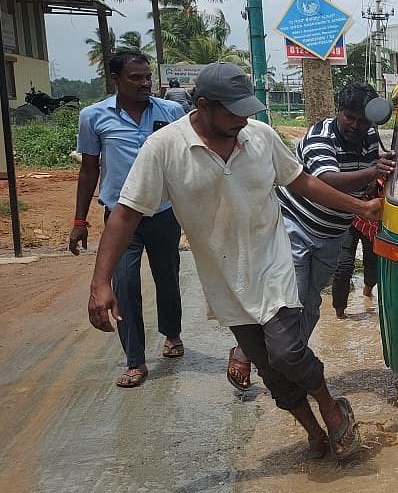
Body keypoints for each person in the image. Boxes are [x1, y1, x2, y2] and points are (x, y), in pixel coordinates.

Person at [87, 62, 377, 459]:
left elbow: (303, 182)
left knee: (287, 351)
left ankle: (328, 403)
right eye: (234, 111)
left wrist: (361, 208)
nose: (244, 119)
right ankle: (312, 431)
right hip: (224, 278)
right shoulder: (164, 147)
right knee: (270, 369)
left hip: (274, 262)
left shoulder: (259, 136)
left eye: (247, 110)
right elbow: (126, 213)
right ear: (204, 105)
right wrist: (101, 282)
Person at [226, 82, 393, 390]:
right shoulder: (320, 136)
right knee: (291, 301)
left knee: (312, 303)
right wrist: (372, 173)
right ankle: (255, 354)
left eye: (363, 119)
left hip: (333, 233)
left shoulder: (370, 139)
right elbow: (327, 181)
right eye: (350, 117)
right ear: (338, 112)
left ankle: (289, 362)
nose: (356, 125)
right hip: (295, 228)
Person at [69, 50, 186, 388]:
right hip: (120, 218)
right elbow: (89, 169)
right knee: (124, 283)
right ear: (116, 80)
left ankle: (172, 334)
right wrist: (80, 221)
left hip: (163, 213)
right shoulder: (93, 116)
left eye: (147, 76)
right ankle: (135, 360)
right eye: (135, 77)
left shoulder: (172, 112)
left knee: (167, 276)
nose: (145, 83)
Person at [332, 182, 381, 319]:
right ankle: (340, 313)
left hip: (373, 225)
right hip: (349, 219)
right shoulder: (352, 171)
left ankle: (367, 292)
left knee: (372, 263)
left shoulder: (387, 178)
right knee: (344, 266)